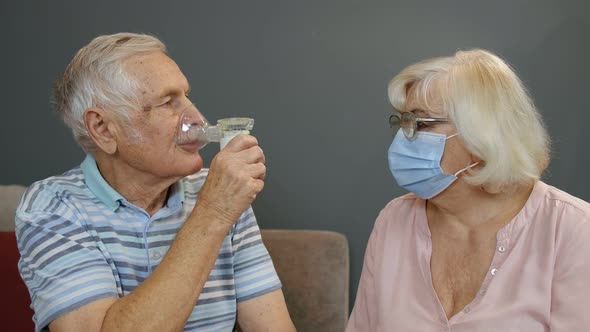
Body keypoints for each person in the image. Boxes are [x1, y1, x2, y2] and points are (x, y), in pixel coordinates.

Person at [16, 32, 295, 332]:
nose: (198, 119)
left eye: (187, 97)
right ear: (103, 129)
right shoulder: (52, 209)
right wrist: (213, 212)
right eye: (167, 103)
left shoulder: (218, 192)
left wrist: (219, 205)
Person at [347, 49, 590, 331]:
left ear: (483, 137)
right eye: (402, 122)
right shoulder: (394, 219)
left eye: (419, 123)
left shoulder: (574, 229)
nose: (403, 137)